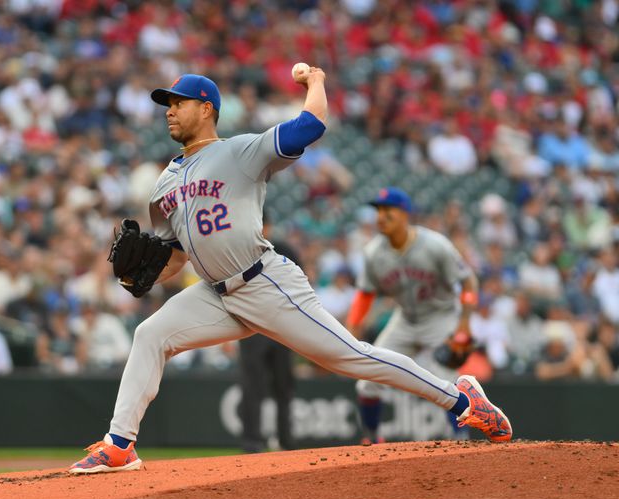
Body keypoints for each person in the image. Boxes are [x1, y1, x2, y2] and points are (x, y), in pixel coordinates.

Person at [69, 71, 511, 475]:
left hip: (265, 281)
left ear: (206, 109)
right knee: (150, 334)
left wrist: (315, 80)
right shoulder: (164, 183)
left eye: (178, 102)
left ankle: (460, 399)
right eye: (167, 103)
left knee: (350, 357)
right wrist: (138, 279)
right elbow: (176, 256)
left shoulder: (239, 151)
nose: (169, 110)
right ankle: (120, 444)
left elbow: (311, 125)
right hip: (215, 293)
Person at [344, 186, 480, 444]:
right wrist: (352, 327)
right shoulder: (373, 251)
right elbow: (365, 294)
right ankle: (371, 439)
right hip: (405, 319)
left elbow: (469, 282)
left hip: (440, 316)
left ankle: (462, 440)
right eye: (378, 211)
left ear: (405, 214)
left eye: (388, 211)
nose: (381, 216)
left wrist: (463, 324)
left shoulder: (435, 245)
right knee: (367, 379)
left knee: (447, 380)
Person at [238, 213, 299, 453]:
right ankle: (251, 441)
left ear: (270, 226)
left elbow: (300, 285)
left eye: (263, 224)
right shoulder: (240, 250)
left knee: (284, 386)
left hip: (281, 326)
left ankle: (286, 440)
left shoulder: (283, 249)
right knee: (252, 387)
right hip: (251, 328)